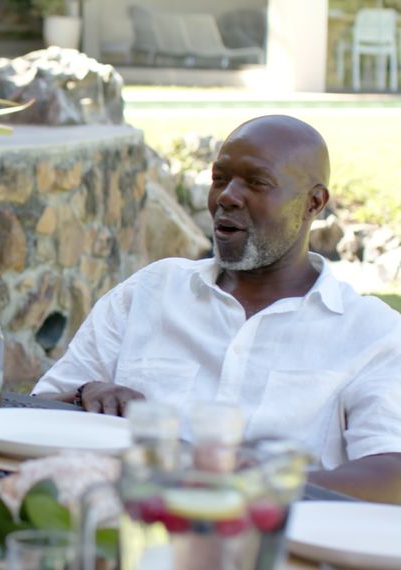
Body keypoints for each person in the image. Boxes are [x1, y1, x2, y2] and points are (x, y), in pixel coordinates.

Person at [32, 115, 401, 503]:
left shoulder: (372, 333)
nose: (227, 196)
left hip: (276, 537)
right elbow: (35, 413)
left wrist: (248, 489)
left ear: (314, 203)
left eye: (256, 183)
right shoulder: (149, 292)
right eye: (220, 178)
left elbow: (391, 473)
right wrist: (86, 393)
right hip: (122, 527)